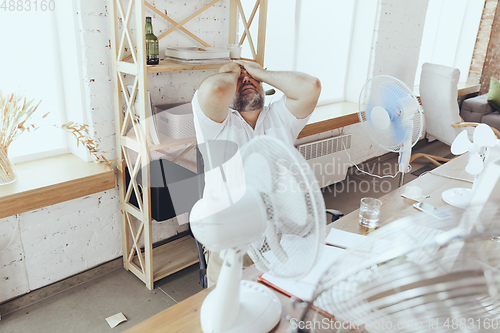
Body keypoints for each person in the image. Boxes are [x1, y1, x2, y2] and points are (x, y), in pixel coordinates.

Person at [191, 60, 321, 287]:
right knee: (230, 309)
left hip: (282, 235)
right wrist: (233, 71)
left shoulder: (280, 117)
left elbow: (311, 86)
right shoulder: (215, 125)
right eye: (239, 80)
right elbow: (215, 89)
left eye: (252, 79)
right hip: (231, 238)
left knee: (283, 302)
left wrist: (258, 71)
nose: (246, 80)